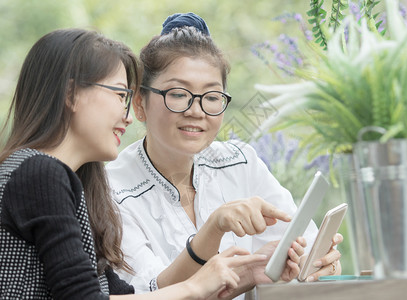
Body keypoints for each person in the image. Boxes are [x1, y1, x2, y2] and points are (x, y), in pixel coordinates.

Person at [0, 28, 277, 300]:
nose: (128, 115)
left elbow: (124, 293)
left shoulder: (57, 178)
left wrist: (248, 273)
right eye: (121, 95)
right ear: (71, 94)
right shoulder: (41, 174)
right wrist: (194, 287)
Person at [105, 12, 343, 297]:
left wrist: (317, 264)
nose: (197, 111)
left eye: (212, 97)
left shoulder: (240, 161)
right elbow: (146, 294)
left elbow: (303, 243)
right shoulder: (110, 189)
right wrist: (215, 227)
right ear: (140, 103)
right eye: (179, 94)